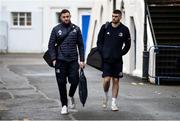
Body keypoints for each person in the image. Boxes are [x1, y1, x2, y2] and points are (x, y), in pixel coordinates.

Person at [48, 9, 85, 115]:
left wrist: (82, 60)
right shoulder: (56, 29)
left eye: (68, 16)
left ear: (70, 16)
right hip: (60, 61)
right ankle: (64, 105)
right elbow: (51, 45)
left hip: (73, 60)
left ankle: (71, 95)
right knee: (61, 83)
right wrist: (54, 59)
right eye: (64, 17)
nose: (66, 18)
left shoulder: (76, 29)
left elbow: (81, 45)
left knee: (75, 81)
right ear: (61, 17)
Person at [97, 9, 131, 111]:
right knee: (107, 80)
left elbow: (128, 45)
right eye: (112, 16)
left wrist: (121, 53)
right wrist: (102, 52)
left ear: (120, 17)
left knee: (116, 80)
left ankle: (113, 103)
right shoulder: (105, 27)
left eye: (116, 16)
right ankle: (105, 95)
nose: (113, 18)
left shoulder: (124, 29)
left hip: (117, 60)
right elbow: (99, 42)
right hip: (106, 59)